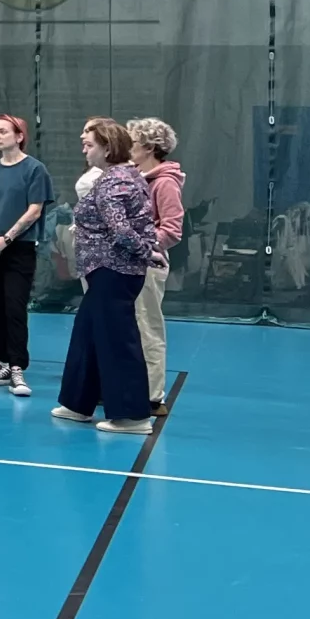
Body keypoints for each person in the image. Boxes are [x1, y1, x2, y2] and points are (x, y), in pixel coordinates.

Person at [53, 118, 158, 432]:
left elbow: (121, 229)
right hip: (103, 271)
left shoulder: (114, 181)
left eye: (89, 145)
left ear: (108, 149)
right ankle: (77, 403)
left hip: (114, 271)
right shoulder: (120, 176)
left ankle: (132, 416)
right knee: (87, 333)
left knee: (117, 339)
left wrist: (146, 251)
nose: (84, 150)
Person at [0, 115, 54, 395]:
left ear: (19, 136)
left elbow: (35, 209)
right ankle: (5, 363)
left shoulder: (35, 169)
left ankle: (18, 367)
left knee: (14, 307)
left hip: (18, 248)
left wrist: (7, 238)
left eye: (4, 131)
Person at [128, 117, 186, 409]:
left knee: (148, 327)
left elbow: (172, 230)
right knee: (130, 327)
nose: (129, 148)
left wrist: (143, 247)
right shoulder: (135, 176)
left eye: (133, 142)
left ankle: (152, 395)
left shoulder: (165, 183)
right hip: (126, 263)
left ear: (149, 147)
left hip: (149, 266)